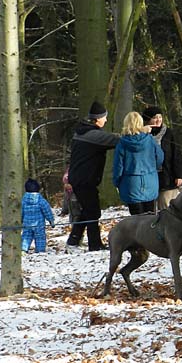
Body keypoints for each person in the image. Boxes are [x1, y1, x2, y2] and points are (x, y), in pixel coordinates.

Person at [65, 101, 119, 252]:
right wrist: (137, 132)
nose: (106, 120)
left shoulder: (82, 132)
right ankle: (94, 245)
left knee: (87, 211)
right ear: (97, 119)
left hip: (80, 179)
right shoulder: (93, 135)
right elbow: (116, 140)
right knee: (93, 211)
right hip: (84, 180)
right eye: (104, 118)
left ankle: (73, 241)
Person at [112, 111, 164, 215]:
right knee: (150, 217)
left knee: (136, 219)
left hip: (131, 183)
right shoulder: (150, 140)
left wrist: (116, 182)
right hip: (150, 180)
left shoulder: (122, 143)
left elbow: (118, 166)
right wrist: (153, 168)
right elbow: (160, 157)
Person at [142, 106, 182, 210]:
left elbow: (176, 154)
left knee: (167, 208)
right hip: (148, 177)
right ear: (148, 120)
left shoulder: (169, 133)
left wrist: (179, 175)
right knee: (149, 211)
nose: (158, 120)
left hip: (167, 176)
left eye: (160, 117)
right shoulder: (141, 135)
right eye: (155, 117)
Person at [21, 178, 54, 253]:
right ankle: (40, 250)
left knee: (26, 236)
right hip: (39, 224)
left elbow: (21, 212)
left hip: (27, 223)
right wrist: (51, 220)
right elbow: (47, 211)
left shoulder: (23, 201)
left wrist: (21, 220)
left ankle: (23, 249)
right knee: (40, 237)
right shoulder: (41, 201)